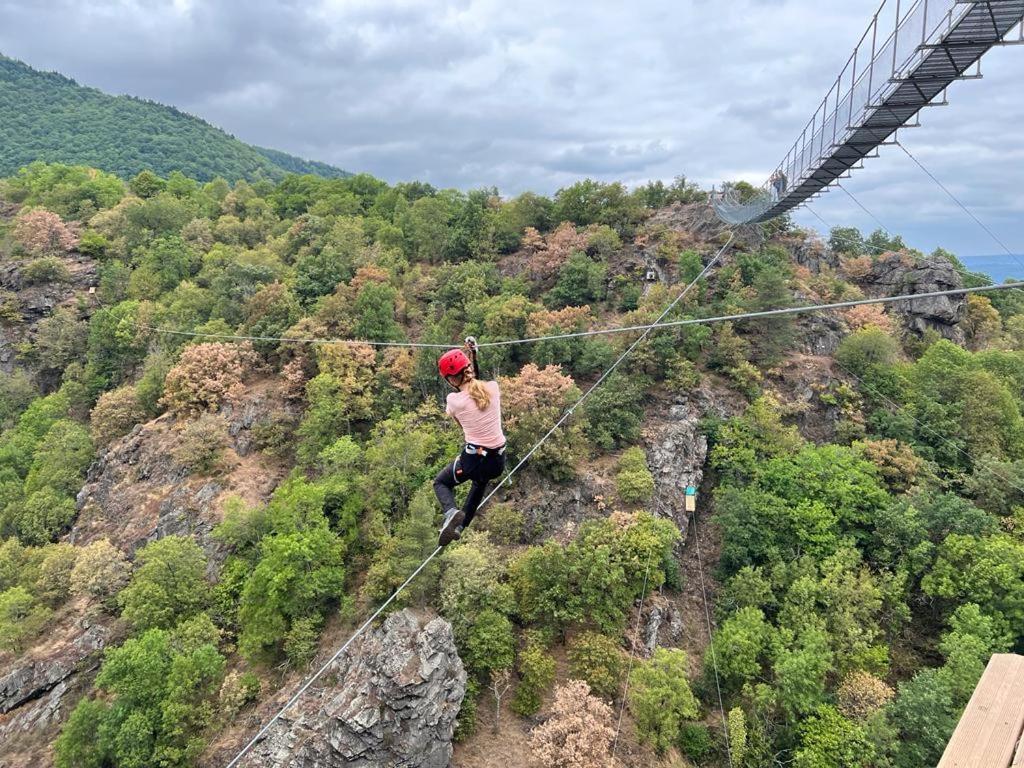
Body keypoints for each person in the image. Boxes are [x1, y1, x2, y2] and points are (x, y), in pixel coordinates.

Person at [434, 337, 506, 547]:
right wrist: (474, 355)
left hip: (473, 460)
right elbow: (478, 387)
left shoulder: (453, 401)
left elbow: (460, 417)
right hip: (496, 462)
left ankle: (451, 512)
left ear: (451, 379)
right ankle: (459, 526)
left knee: (441, 482)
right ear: (468, 369)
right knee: (480, 484)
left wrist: (472, 357)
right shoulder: (493, 388)